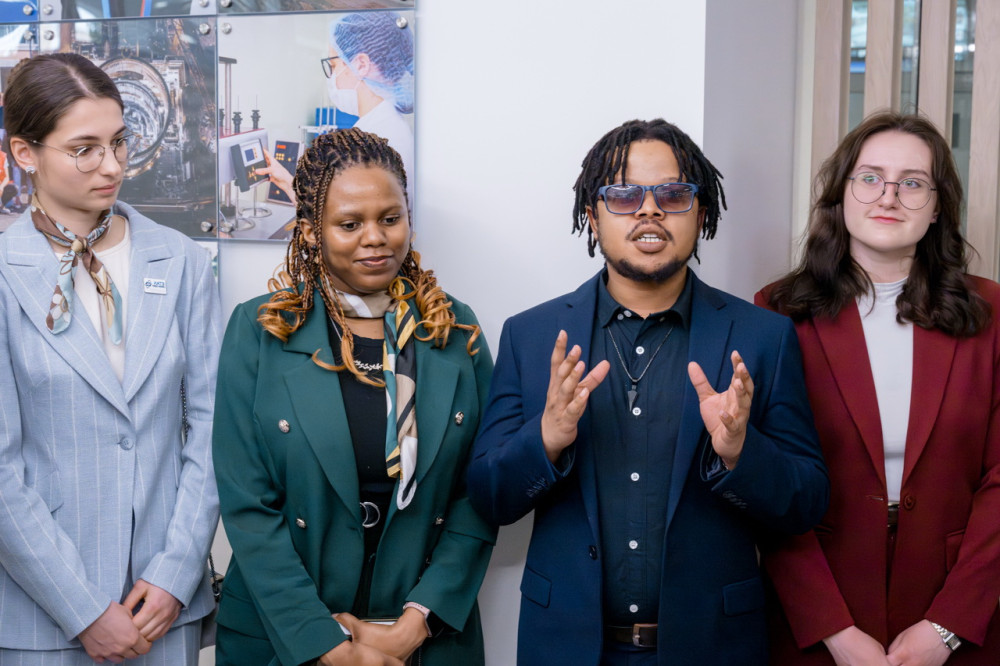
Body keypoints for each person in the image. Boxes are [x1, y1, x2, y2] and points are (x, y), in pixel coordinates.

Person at [467, 118, 830, 665]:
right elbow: (488, 497)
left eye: (673, 194)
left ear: (700, 213)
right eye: (624, 196)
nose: (649, 210)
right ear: (593, 216)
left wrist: (740, 453)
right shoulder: (532, 335)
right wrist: (546, 439)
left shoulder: (763, 337)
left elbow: (806, 503)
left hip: (713, 648)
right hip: (567, 646)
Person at [213, 127, 495, 666]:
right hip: (286, 635)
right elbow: (247, 505)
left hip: (426, 637)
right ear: (310, 232)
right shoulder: (260, 330)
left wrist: (415, 624)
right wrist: (324, 643)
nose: (375, 238)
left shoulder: (454, 330)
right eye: (349, 224)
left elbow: (477, 496)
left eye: (390, 219)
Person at [0, 53, 221, 664]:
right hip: (43, 614)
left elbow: (212, 429)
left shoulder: (181, 260)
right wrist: (82, 607)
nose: (113, 165)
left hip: (161, 606)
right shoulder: (4, 275)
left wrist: (175, 573)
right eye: (85, 150)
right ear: (25, 153)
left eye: (119, 142)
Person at [757, 111, 1000, 664]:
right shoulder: (777, 313)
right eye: (870, 178)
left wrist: (948, 626)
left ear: (937, 207)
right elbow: (769, 484)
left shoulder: (990, 313)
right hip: (819, 611)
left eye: (913, 183)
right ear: (841, 194)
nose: (888, 197)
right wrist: (833, 629)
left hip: (956, 607)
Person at [261, 11, 415, 206]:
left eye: (333, 65)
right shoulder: (387, 127)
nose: (332, 77)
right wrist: (285, 181)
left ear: (361, 65)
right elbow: (338, 212)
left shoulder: (374, 143)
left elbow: (340, 220)